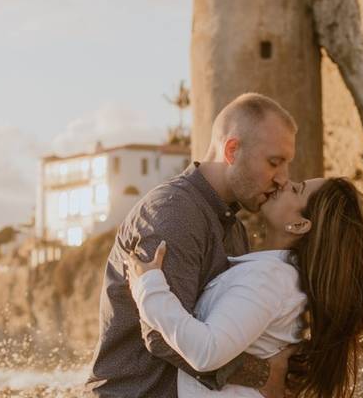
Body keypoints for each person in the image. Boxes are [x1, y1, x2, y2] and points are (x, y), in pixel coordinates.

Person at [87, 93, 300, 397]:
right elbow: (161, 335)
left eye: (286, 165)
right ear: (232, 150)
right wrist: (263, 374)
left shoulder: (232, 226)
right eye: (274, 163)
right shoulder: (174, 214)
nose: (283, 178)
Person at [126, 176, 363, 398]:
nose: (283, 182)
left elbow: (206, 352)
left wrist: (150, 287)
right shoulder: (280, 278)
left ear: (299, 225)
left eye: (297, 189)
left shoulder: (270, 279)